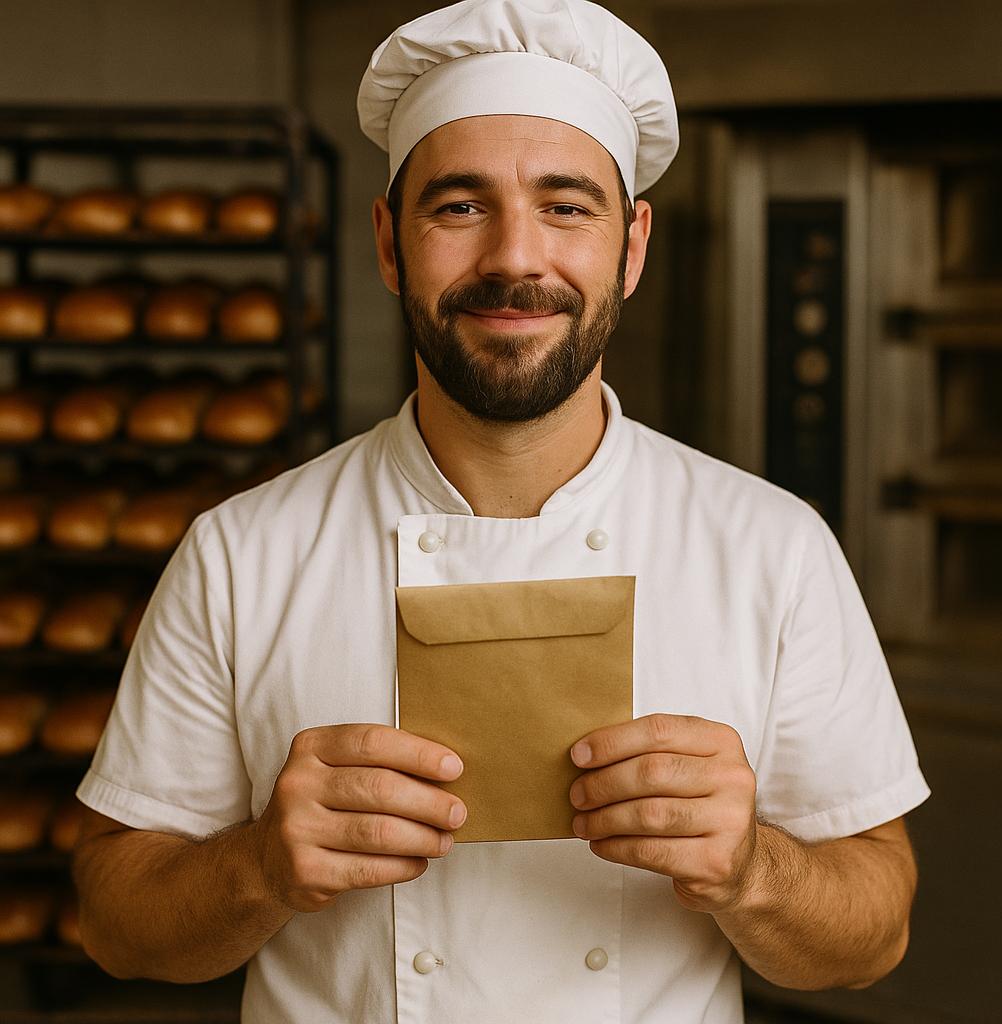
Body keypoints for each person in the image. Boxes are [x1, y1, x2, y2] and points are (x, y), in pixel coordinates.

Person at [72, 1, 930, 1021]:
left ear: (632, 247)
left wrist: (752, 868)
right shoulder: (241, 553)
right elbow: (116, 926)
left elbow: (875, 937)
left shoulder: (771, 549)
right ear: (388, 243)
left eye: (566, 206)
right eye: (458, 206)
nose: (515, 259)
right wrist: (258, 864)